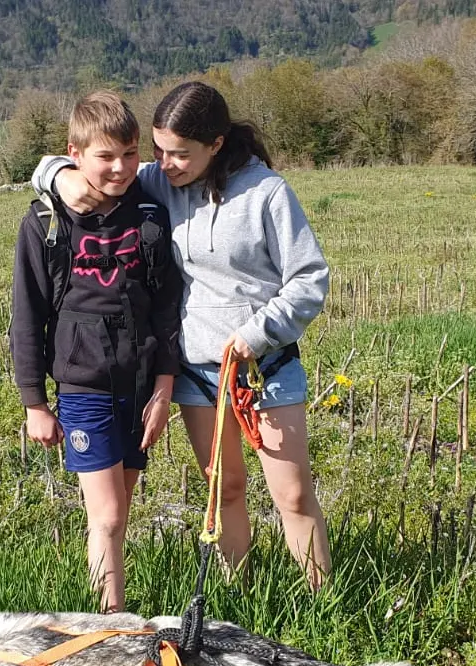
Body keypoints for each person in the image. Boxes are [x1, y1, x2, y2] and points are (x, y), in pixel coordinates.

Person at [32, 81, 332, 590]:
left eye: (179, 154)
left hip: (262, 369)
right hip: (195, 371)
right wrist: (59, 176)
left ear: (215, 145)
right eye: (158, 151)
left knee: (294, 494)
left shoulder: (267, 193)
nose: (164, 164)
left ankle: (323, 602)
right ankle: (241, 597)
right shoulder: (157, 181)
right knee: (224, 488)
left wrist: (256, 336)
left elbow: (310, 280)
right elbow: (70, 165)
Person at [10, 91, 181, 613]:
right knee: (105, 517)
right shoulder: (46, 221)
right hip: (84, 385)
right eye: (105, 156)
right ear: (74, 154)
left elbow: (166, 307)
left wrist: (164, 385)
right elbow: (27, 313)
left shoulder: (149, 213)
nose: (121, 167)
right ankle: (110, 628)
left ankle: (107, 613)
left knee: (119, 513)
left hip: (141, 384)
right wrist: (34, 402)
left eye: (130, 154)